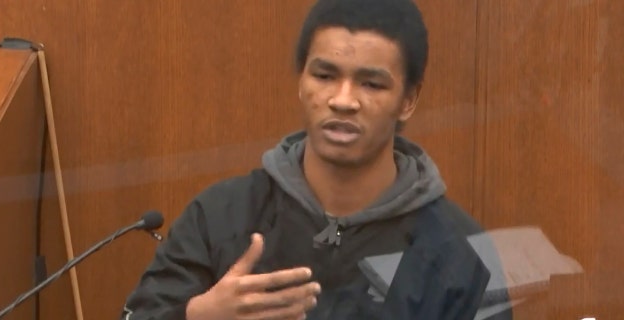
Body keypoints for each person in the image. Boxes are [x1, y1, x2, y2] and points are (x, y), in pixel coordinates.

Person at [121, 0, 495, 319]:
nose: (343, 100)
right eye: (325, 75)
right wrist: (194, 317)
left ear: (408, 100)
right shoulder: (221, 216)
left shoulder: (459, 253)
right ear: (302, 81)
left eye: (371, 84)